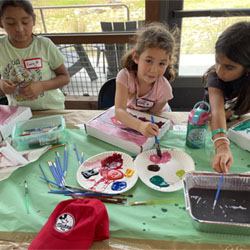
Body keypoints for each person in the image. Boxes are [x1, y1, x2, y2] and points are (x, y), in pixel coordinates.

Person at [0, 0, 70, 110]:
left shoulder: (45, 45)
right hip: (18, 113)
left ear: (33, 20)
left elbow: (65, 77)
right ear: (1, 23)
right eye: (11, 23)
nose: (19, 29)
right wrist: (1, 85)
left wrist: (41, 86)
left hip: (51, 110)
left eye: (25, 22)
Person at [115, 22, 178, 137]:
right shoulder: (124, 77)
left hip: (156, 117)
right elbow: (119, 111)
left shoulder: (165, 90)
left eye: (161, 63)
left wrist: (142, 126)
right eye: (149, 61)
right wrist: (139, 126)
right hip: (135, 118)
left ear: (168, 63)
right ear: (136, 57)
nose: (154, 70)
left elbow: (151, 115)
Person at [203, 21, 250, 174]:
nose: (220, 70)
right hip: (213, 122)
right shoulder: (215, 78)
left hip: (239, 120)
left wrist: (233, 114)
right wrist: (222, 146)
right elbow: (216, 113)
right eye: (217, 61)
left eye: (229, 67)